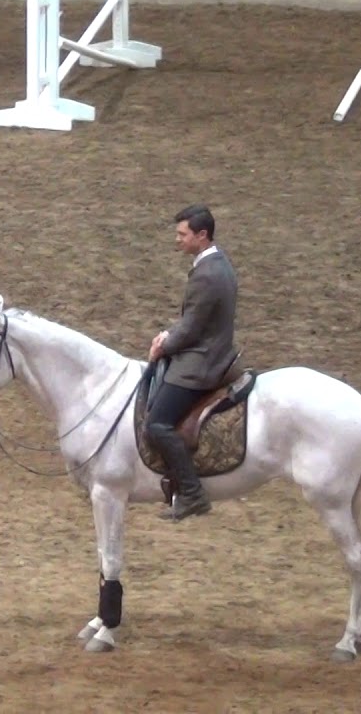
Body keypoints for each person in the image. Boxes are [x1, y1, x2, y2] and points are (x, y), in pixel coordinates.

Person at [145, 204, 239, 522]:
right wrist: (170, 334)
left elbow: (193, 327)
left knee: (157, 424)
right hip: (208, 349)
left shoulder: (208, 274)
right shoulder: (216, 263)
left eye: (182, 234)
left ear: (202, 235)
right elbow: (195, 319)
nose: (177, 240)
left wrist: (164, 345)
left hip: (201, 363)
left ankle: (191, 493)